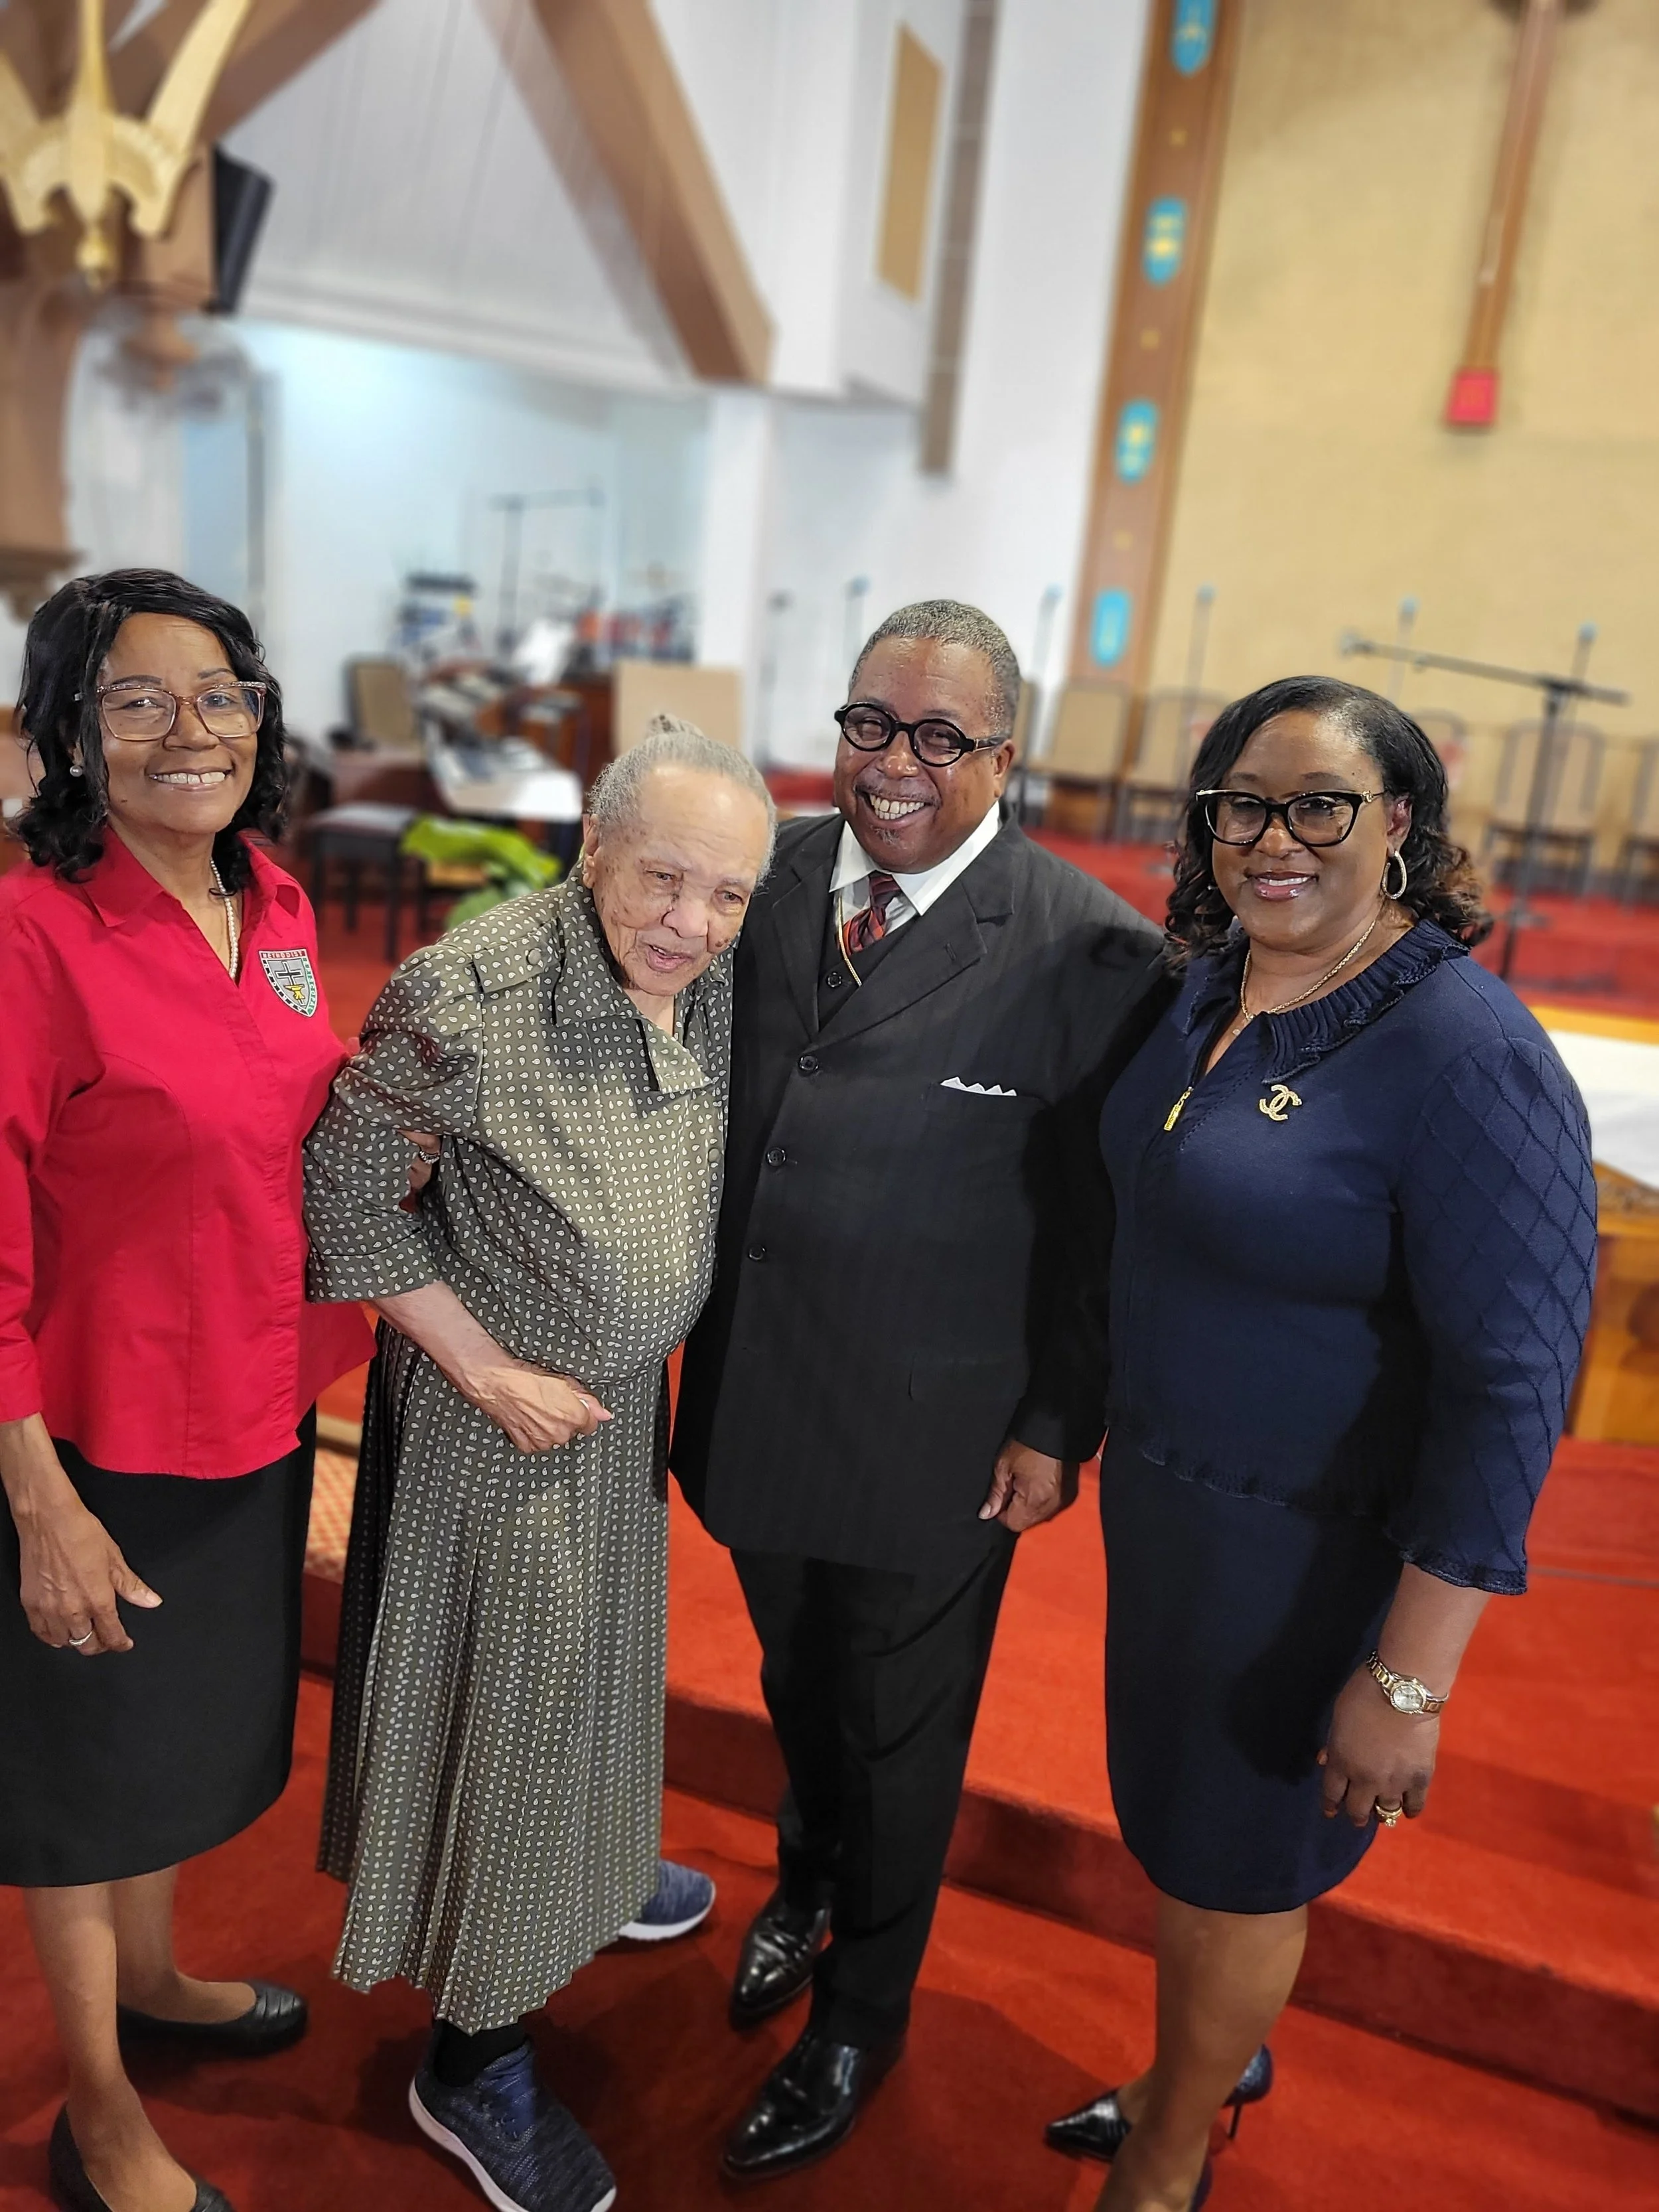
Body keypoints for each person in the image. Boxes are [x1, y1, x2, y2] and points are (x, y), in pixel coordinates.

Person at [1044, 677, 1596, 2212]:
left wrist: (1408, 1679)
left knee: (1236, 1863)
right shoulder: (1207, 987)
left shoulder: (1464, 1057)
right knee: (1186, 1838)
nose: (1271, 839)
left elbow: (1508, 1384)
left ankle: (1165, 2163)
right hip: (1174, 1527)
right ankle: (1186, 2071)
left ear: (1397, 824)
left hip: (1308, 1562)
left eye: (1317, 806)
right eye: (1240, 804)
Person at [670, 601, 1166, 2181]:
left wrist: (1052, 1422)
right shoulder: (766, 882)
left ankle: (859, 2017)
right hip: (754, 1389)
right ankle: (802, 1888)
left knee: (899, 1734)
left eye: (941, 737)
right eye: (869, 725)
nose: (895, 764)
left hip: (933, 1438)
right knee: (793, 1683)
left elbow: (1099, 1231)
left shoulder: (1091, 948)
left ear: (1004, 757)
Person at [303, 719, 774, 2212]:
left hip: (614, 1413)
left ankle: (585, 1865)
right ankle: (474, 2049)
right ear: (592, 849)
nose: (691, 923)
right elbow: (343, 1196)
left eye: (727, 895)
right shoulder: (474, 994)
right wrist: (485, 1366)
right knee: (501, 1704)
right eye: (662, 878)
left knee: (595, 1669)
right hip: (490, 1426)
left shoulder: (697, 988)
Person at [0, 571, 374, 2212]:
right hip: (85, 1436)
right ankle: (96, 2113)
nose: (186, 731)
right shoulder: (30, 935)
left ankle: (153, 1984)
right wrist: (36, 1498)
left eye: (217, 694)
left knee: (165, 1749)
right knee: (81, 1780)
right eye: (134, 701)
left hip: (247, 1407)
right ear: (67, 735)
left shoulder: (273, 906)